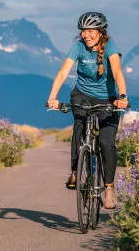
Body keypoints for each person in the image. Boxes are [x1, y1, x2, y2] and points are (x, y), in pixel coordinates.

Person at [46, 12, 128, 209]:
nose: (86, 35)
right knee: (79, 126)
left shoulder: (110, 47)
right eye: (83, 31)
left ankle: (108, 188)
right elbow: (63, 72)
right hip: (81, 94)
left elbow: (117, 72)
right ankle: (75, 171)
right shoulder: (78, 47)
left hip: (108, 98)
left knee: (106, 142)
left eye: (90, 31)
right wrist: (52, 97)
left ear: (100, 32)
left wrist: (122, 97)